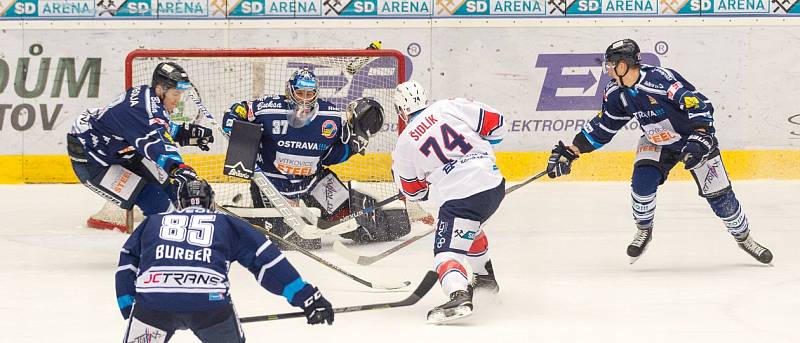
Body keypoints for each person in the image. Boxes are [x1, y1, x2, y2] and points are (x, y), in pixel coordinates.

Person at [546, 38, 773, 265]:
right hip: (656, 140)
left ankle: (744, 238)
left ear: (623, 65)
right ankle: (644, 230)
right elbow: (605, 125)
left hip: (693, 139)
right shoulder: (616, 92)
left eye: (611, 65)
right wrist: (572, 150)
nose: (609, 71)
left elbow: (698, 103)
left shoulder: (660, 79)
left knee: (720, 197)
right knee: (642, 182)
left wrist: (701, 135)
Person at [116, 179, 334, 342]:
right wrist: (307, 298)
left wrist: (128, 305)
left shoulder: (153, 222)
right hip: (209, 304)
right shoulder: (227, 224)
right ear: (211, 203)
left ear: (179, 204)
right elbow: (269, 264)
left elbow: (127, 262)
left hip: (153, 304)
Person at [221, 67, 410, 249]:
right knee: (293, 242)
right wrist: (232, 121)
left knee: (358, 224)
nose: (304, 99)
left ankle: (387, 216)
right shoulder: (268, 109)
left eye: (309, 94)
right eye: (300, 93)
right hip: (270, 184)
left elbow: (330, 156)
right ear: (290, 91)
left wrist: (351, 146)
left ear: (316, 94)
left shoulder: (330, 116)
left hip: (312, 181)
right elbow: (240, 108)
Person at [391, 80, 505, 324]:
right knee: (470, 228)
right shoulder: (449, 106)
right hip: (493, 185)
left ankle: (459, 294)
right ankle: (484, 278)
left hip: (462, 198)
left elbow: (413, 193)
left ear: (401, 110)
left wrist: (432, 178)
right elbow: (497, 124)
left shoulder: (404, 144)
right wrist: (479, 157)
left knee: (446, 254)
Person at [67, 62, 215, 231]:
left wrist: (185, 133)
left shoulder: (150, 98)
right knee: (157, 204)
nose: (178, 99)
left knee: (169, 185)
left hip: (117, 149)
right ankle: (166, 247)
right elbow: (156, 144)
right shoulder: (142, 110)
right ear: (160, 89)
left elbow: (155, 128)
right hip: (92, 159)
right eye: (175, 93)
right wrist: (178, 167)